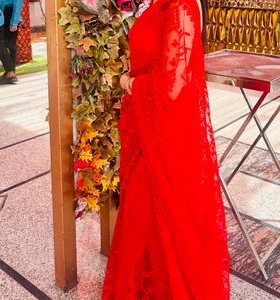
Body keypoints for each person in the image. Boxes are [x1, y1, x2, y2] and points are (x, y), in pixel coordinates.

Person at [102, 0, 230, 299]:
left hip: (165, 133)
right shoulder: (166, 4)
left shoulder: (180, 5)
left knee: (151, 215)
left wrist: (129, 82)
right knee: (146, 217)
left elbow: (173, 85)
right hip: (151, 127)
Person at [0, 0, 23, 84]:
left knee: (7, 45)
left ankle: (11, 74)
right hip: (3, 12)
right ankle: (10, 72)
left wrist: (14, 22)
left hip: (10, 13)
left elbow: (18, 3)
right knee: (6, 45)